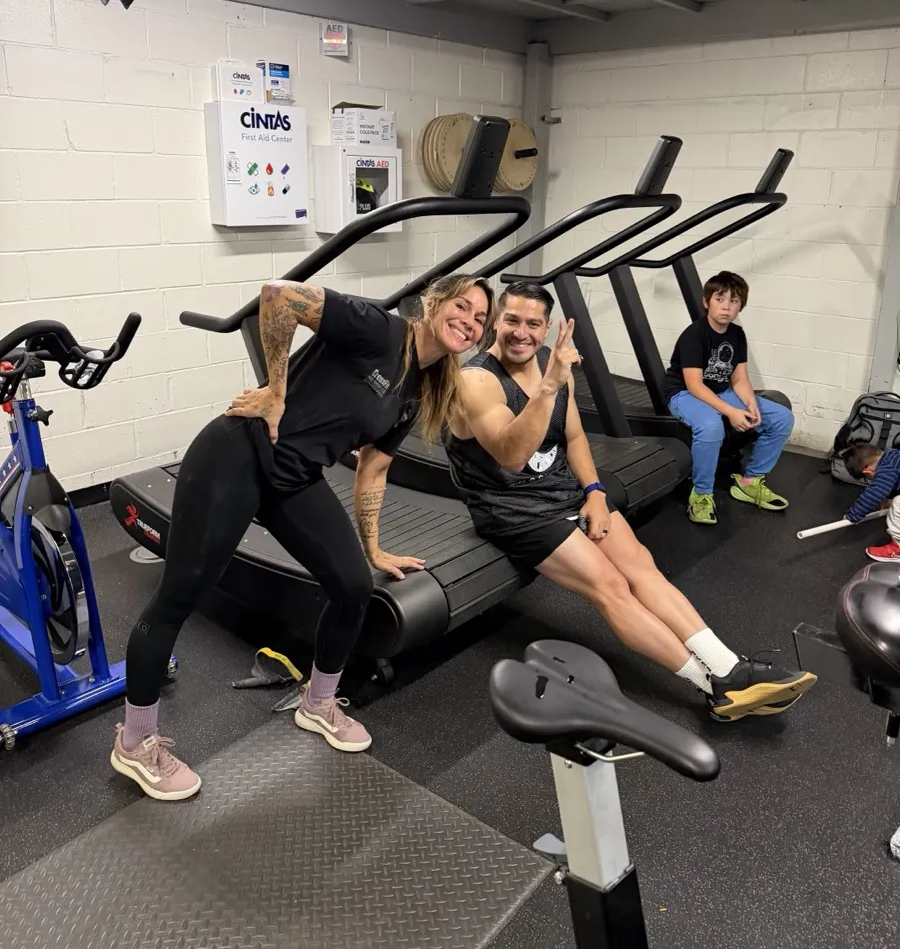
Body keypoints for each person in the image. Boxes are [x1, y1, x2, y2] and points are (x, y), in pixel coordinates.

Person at [110, 273, 492, 801]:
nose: (469, 321)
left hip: (293, 478)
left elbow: (374, 468)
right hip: (235, 458)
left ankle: (318, 703)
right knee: (181, 594)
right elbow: (278, 296)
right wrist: (276, 388)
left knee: (354, 585)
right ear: (434, 303)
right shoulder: (380, 331)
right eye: (463, 306)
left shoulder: (417, 387)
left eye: (479, 318)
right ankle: (135, 741)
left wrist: (373, 546)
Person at [445, 281, 816, 722]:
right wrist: (549, 386)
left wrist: (595, 493)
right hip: (512, 510)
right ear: (495, 323)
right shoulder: (476, 382)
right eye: (511, 320)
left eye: (532, 323)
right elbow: (511, 456)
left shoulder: (549, 363)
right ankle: (711, 688)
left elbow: (575, 436)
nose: (520, 332)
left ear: (547, 329)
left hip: (562, 491)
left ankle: (728, 669)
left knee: (641, 567)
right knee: (611, 586)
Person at [664, 270, 794, 525]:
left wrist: (750, 403)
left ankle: (749, 481)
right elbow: (694, 385)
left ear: (740, 307)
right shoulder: (694, 335)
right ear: (706, 302)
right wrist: (730, 412)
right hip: (684, 393)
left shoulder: (736, 334)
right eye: (720, 299)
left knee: (781, 418)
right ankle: (701, 495)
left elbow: (739, 379)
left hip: (720, 390)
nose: (726, 307)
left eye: (733, 301)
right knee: (711, 426)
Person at [840, 441, 900, 561]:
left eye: (868, 479)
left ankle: (897, 548)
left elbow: (874, 493)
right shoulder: (893, 454)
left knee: (898, 503)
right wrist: (887, 496)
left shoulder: (887, 467)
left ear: (867, 471)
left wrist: (853, 515)